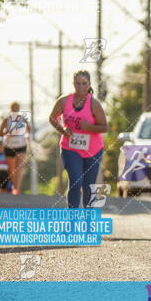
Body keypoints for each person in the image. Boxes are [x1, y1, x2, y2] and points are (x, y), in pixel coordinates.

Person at [48, 70, 107, 208]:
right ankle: (72, 222)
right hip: (70, 148)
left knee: (88, 186)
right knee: (75, 181)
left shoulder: (94, 104)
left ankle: (87, 223)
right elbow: (52, 118)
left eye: (84, 84)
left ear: (89, 85)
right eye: (78, 84)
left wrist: (89, 127)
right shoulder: (64, 101)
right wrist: (62, 129)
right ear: (73, 84)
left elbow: (104, 127)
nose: (81, 87)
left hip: (93, 150)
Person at [0, 102, 29, 194]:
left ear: (19, 109)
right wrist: (7, 132)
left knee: (19, 168)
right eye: (13, 108)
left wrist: (27, 136)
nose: (15, 110)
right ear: (11, 109)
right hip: (9, 146)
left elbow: (29, 130)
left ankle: (16, 189)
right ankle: (14, 185)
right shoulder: (6, 120)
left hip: (21, 145)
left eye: (16, 108)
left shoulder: (23, 119)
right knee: (11, 170)